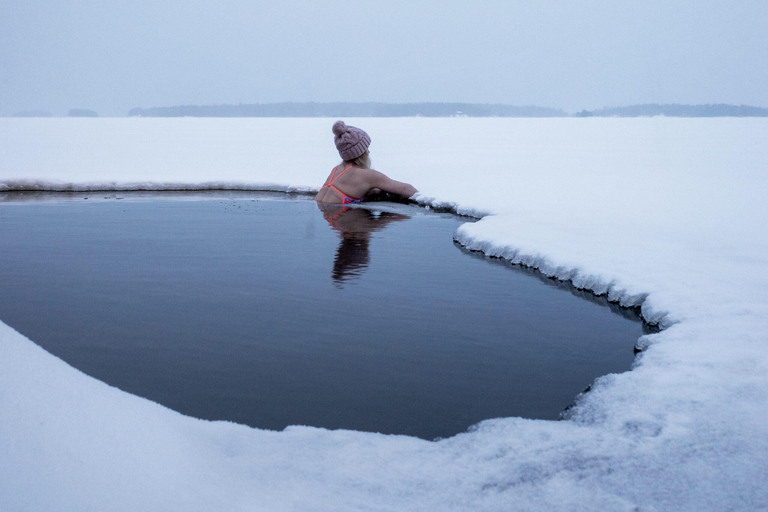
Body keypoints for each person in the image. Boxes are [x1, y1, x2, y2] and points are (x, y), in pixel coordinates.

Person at [315, 120, 417, 204]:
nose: (368, 151)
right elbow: (409, 191)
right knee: (391, 218)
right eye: (366, 149)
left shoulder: (336, 170)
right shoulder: (367, 176)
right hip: (344, 221)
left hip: (329, 221)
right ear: (360, 152)